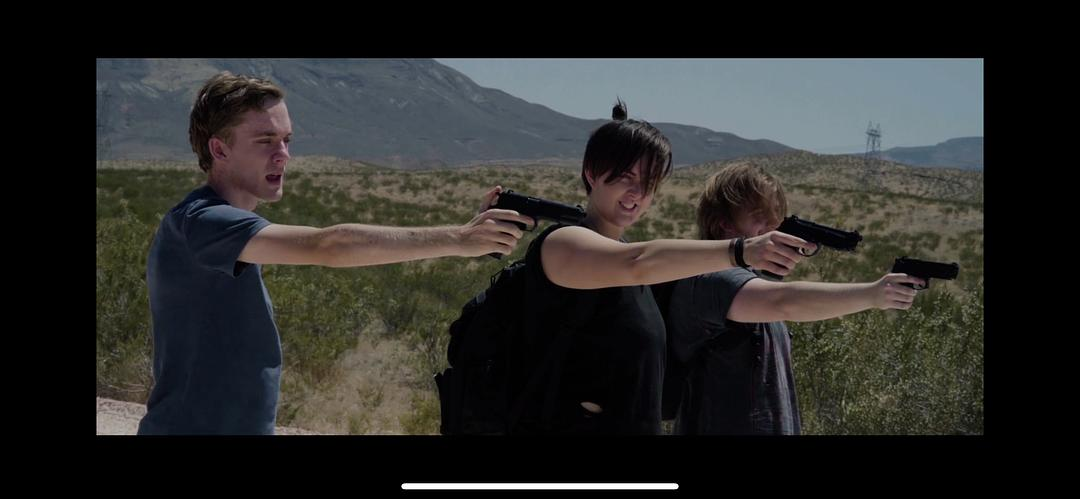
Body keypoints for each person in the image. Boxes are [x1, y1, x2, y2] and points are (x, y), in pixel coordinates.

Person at [137, 72, 533, 435]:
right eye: (265, 141)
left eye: (287, 140)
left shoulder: (220, 228)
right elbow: (328, 245)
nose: (283, 155)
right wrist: (459, 239)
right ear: (219, 150)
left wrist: (469, 231)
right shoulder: (202, 221)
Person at [506, 100, 816, 435]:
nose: (637, 192)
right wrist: (741, 251)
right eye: (626, 176)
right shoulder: (563, 243)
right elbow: (638, 262)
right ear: (592, 173)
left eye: (649, 183)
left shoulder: (636, 274)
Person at [654, 163, 924, 435]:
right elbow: (783, 302)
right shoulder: (711, 278)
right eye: (760, 216)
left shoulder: (745, 280)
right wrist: (873, 294)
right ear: (723, 221)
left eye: (775, 218)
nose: (772, 227)